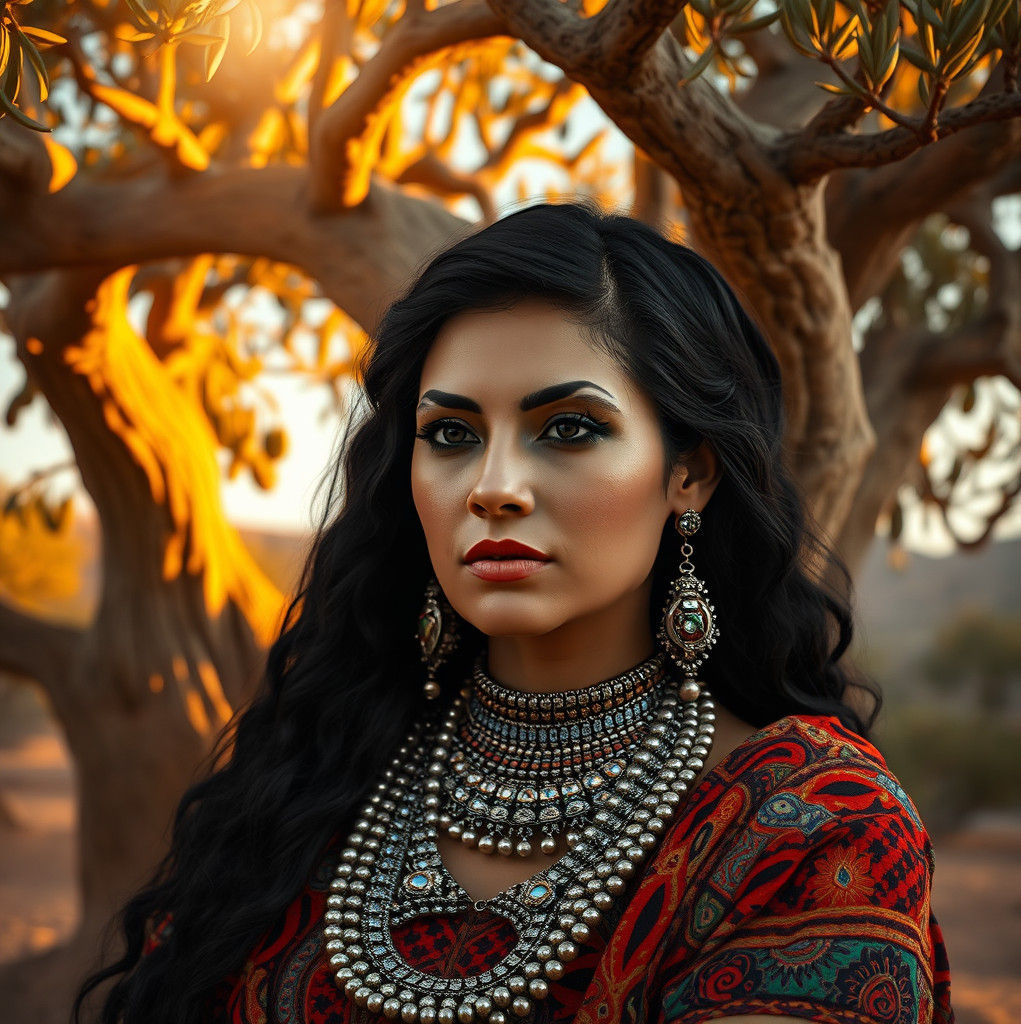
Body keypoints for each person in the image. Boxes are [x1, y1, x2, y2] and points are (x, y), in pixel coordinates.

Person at [75, 201, 953, 1024]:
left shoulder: (812, 827)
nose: (493, 488)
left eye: (568, 428)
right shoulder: (310, 780)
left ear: (689, 471)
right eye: (451, 434)